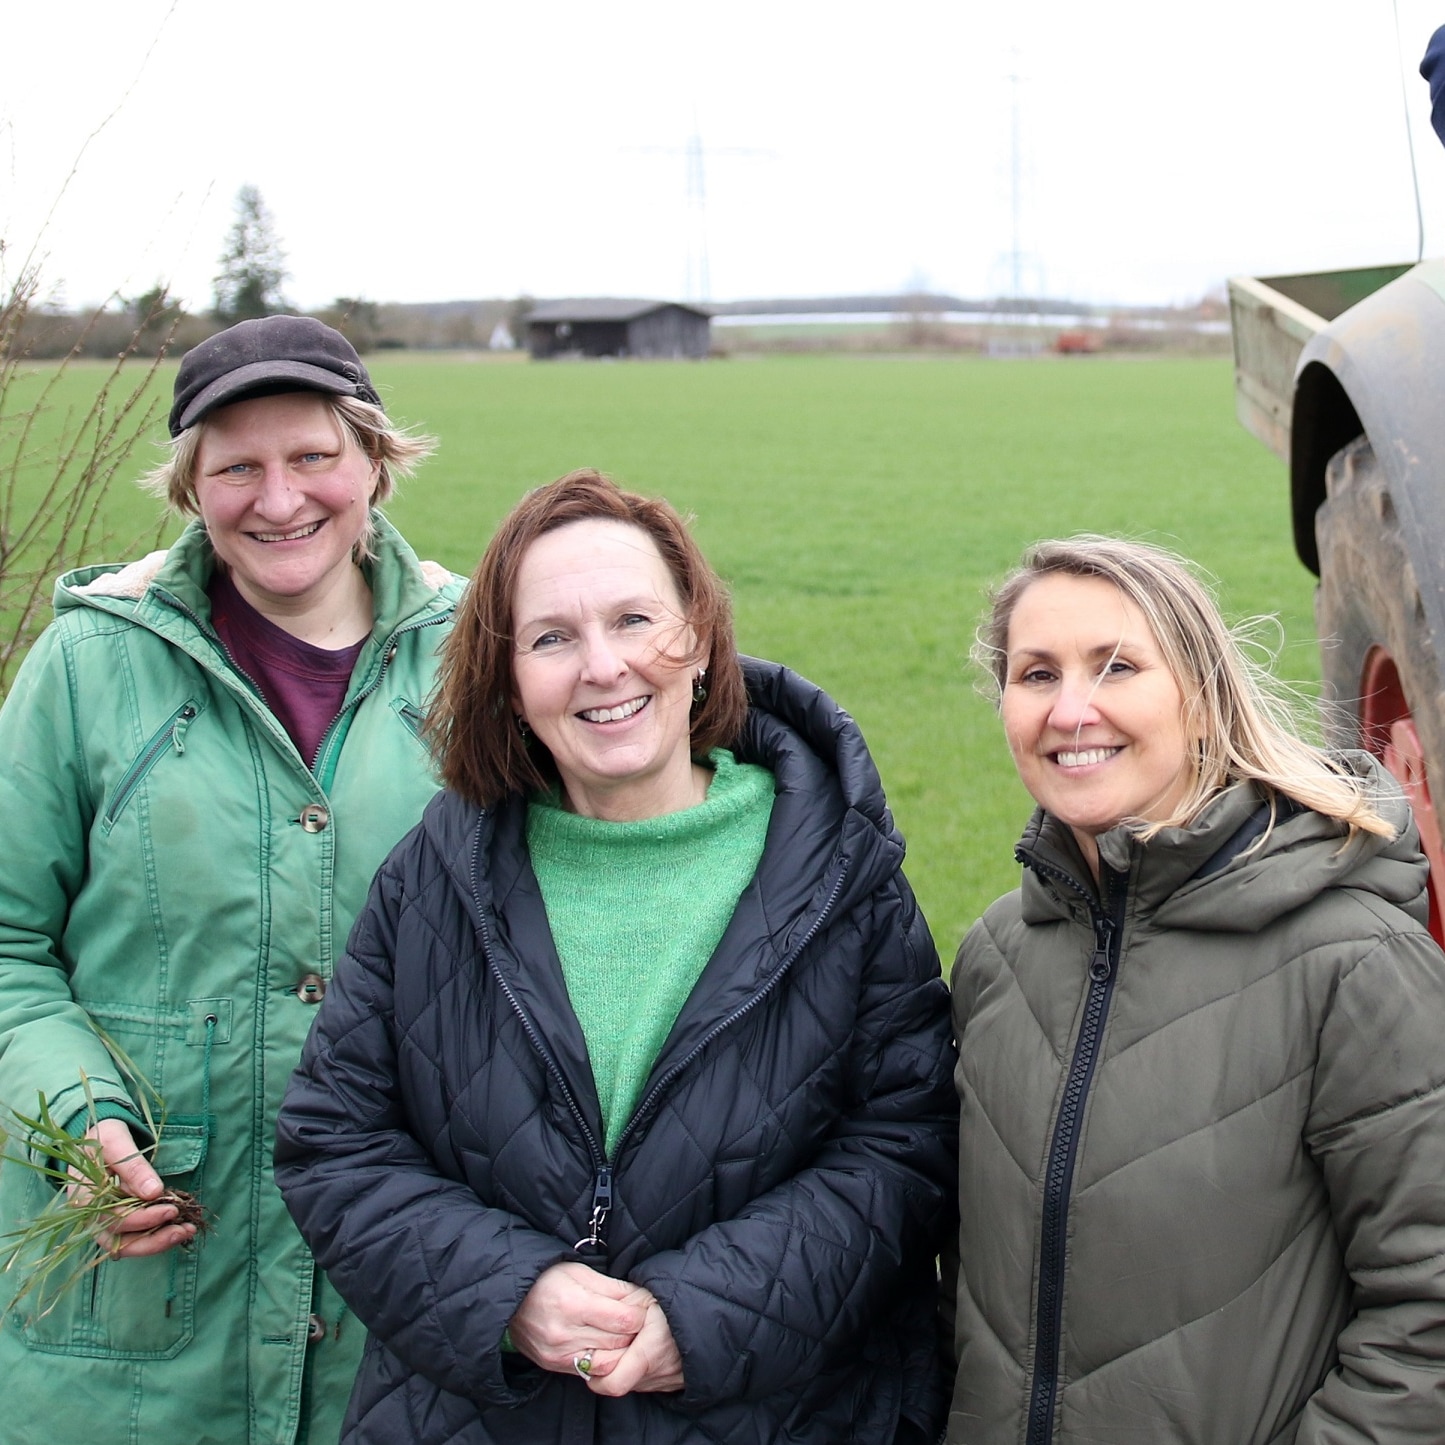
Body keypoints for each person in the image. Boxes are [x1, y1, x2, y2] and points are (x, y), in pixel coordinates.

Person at [274, 468, 958, 1444]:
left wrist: (709, 1312)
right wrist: (511, 1289)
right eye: (551, 637)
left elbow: (904, 1137)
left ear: (699, 637)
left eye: (634, 619)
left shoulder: (836, 870)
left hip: (779, 1413)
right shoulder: (436, 873)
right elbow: (333, 1137)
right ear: (508, 678)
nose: (602, 666)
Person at [0, 316, 463, 1445]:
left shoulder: (474, 659)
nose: (279, 496)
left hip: (393, 1286)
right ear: (190, 488)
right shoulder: (91, 661)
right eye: (236, 466)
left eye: (312, 456)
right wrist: (76, 1122)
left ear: (373, 462)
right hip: (135, 1324)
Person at [947, 534, 1445, 1443]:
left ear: (1204, 699)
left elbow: (1430, 1316)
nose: (1071, 710)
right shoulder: (996, 956)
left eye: (1117, 666)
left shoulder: (1355, 964)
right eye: (1035, 674)